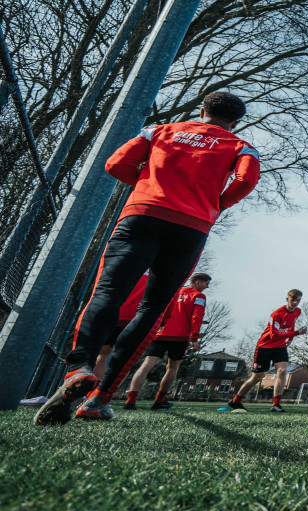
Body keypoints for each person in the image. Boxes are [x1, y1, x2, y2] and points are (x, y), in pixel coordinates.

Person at [36, 92, 259, 425]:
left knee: (107, 293)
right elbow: (246, 180)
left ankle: (78, 367)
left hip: (142, 215)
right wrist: (216, 205)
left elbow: (115, 164)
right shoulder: (241, 146)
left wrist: (145, 183)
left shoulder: (159, 131)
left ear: (202, 111)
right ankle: (101, 398)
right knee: (151, 308)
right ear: (235, 122)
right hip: (192, 226)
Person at [124, 273, 210, 410]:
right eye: (206, 283)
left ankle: (131, 400)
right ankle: (159, 400)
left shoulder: (173, 293)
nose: (207, 287)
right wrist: (194, 338)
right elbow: (197, 316)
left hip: (159, 334)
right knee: (172, 368)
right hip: (179, 337)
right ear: (198, 282)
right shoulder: (198, 296)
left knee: (146, 365)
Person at [226, 289, 308, 413]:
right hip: (265, 347)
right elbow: (274, 335)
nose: (295, 303)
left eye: (298, 301)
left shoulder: (297, 312)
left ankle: (276, 404)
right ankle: (236, 400)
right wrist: (296, 333)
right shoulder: (276, 315)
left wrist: (290, 338)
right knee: (257, 377)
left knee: (282, 371)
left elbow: (291, 324)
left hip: (280, 347)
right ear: (287, 300)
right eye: (293, 300)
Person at [93, 272, 149, 379]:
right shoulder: (161, 268)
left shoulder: (127, 261)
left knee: (102, 355)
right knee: (123, 362)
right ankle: (104, 393)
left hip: (116, 312)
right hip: (137, 318)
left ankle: (92, 393)